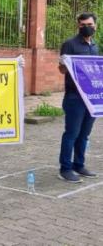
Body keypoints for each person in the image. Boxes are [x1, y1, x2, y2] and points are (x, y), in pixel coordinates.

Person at [58, 12, 99, 183]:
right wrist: (65, 63)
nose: (86, 27)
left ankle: (79, 165)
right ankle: (65, 168)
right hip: (75, 98)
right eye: (82, 25)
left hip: (91, 98)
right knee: (72, 133)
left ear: (95, 25)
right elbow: (61, 70)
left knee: (84, 134)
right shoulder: (69, 44)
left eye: (88, 24)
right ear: (78, 26)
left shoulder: (95, 46)